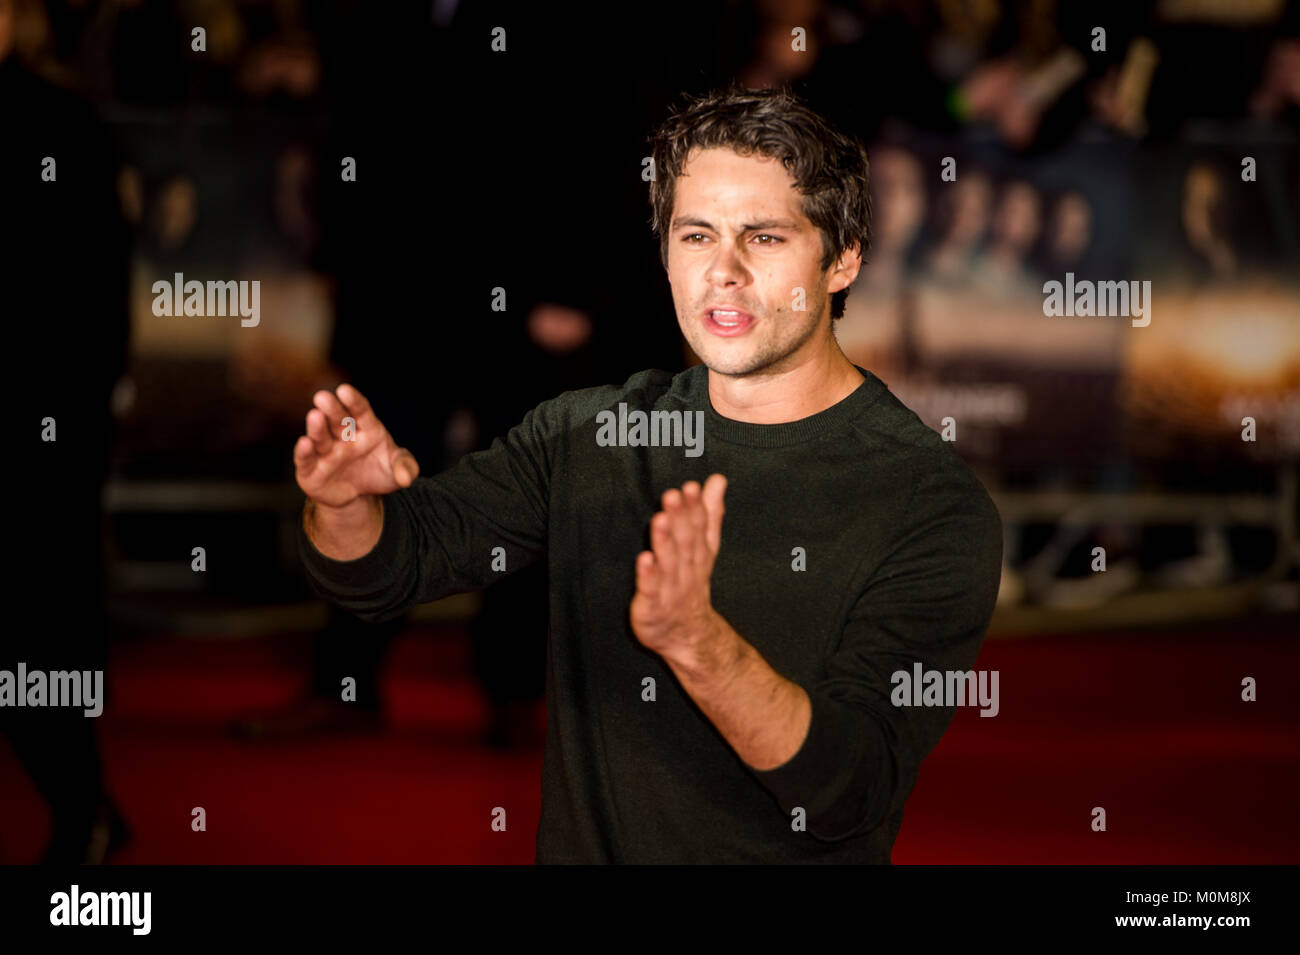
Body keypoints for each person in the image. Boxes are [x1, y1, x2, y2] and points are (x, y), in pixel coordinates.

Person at [292, 86, 1002, 863]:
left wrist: (698, 643)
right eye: (696, 235)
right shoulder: (590, 433)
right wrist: (346, 505)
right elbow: (392, 566)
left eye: (763, 238)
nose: (722, 272)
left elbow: (848, 787)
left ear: (843, 258)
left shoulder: (930, 504)